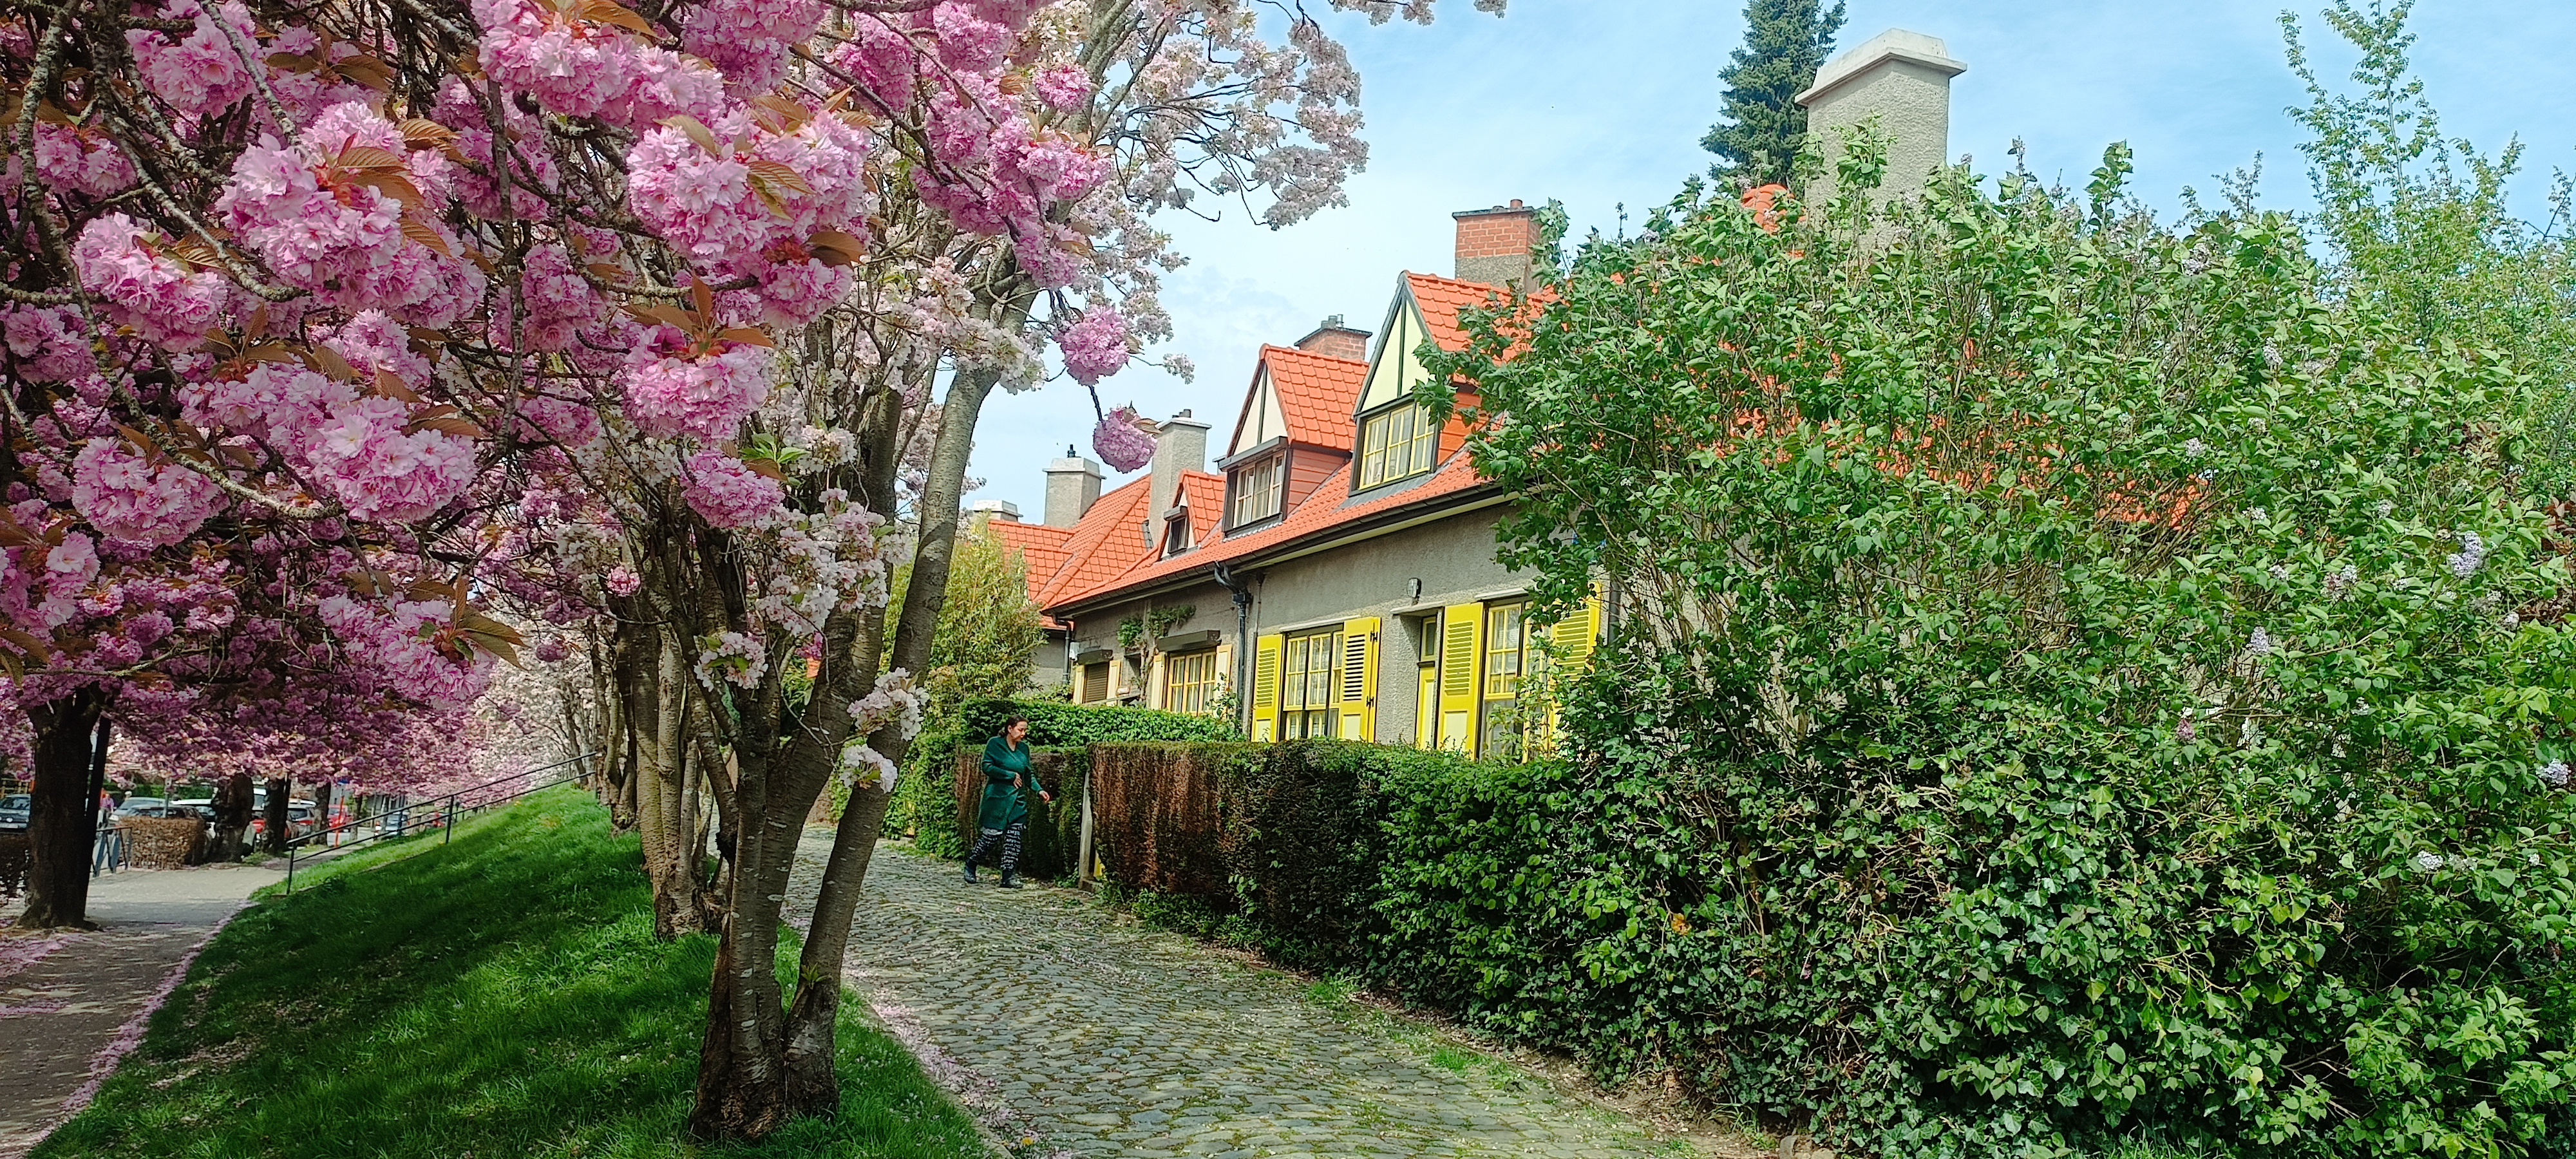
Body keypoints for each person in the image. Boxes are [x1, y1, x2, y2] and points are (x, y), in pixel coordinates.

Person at [964, 714, 1050, 888]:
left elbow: (1028, 774)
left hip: (1017, 802)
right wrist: (1009, 775)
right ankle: (971, 864)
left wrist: (1039, 790)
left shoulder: (1024, 749)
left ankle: (1008, 877)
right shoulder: (995, 744)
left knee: (1014, 839)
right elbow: (986, 766)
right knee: (990, 838)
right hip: (998, 800)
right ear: (1010, 729)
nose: (1023, 733)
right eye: (1020, 729)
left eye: (1025, 730)